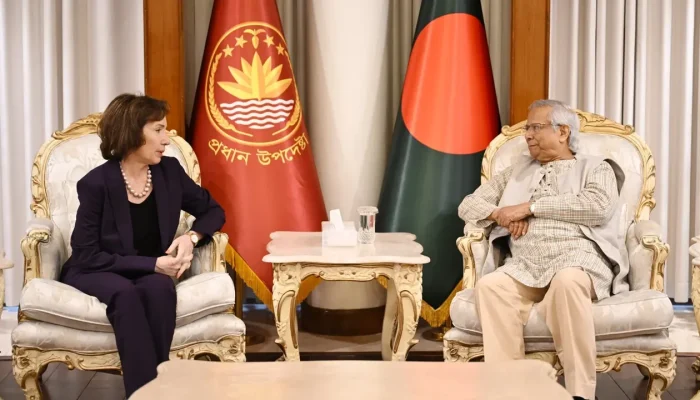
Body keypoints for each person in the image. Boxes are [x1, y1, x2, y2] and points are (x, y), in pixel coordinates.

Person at [457, 99, 628, 400]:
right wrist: (501, 214)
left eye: (536, 127)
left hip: (577, 258)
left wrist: (530, 207)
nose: (527, 135)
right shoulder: (516, 171)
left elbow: (597, 207)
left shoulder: (596, 167)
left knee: (567, 282)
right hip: (525, 263)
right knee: (491, 286)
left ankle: (580, 393)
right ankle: (511, 391)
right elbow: (468, 205)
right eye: (527, 128)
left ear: (563, 132)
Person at [59, 93, 225, 398]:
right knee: (125, 294)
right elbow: (86, 254)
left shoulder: (169, 172)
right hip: (96, 268)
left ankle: (154, 391)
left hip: (150, 270)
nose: (166, 139)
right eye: (158, 129)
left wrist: (191, 238)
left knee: (160, 289)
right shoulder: (96, 183)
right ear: (132, 131)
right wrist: (153, 264)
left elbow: (213, 211)